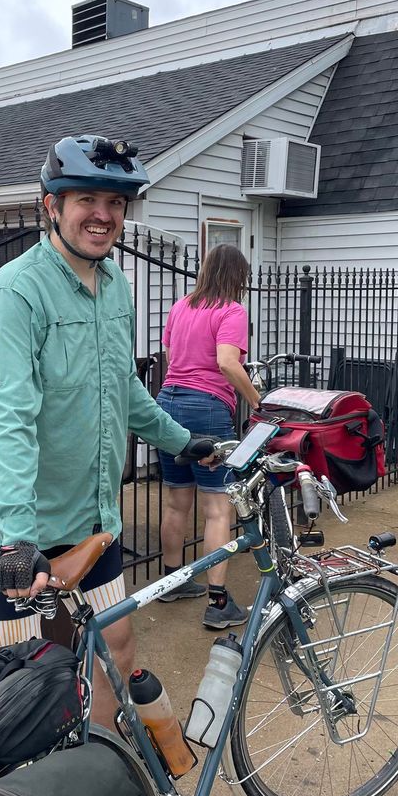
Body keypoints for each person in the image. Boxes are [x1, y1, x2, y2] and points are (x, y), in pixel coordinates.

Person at [0, 134, 216, 727]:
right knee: (18, 681)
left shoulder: (116, 286)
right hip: (11, 521)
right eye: (86, 199)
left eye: (116, 203)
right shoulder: (15, 295)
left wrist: (184, 442)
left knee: (117, 645)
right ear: (52, 205)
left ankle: (93, 762)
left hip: (89, 514)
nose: (102, 215)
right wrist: (20, 540)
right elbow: (8, 421)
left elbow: (121, 390)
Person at [156, 243, 262, 629]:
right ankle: (218, 603)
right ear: (237, 277)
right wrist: (256, 400)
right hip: (206, 408)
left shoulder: (181, 306)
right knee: (218, 508)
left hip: (166, 404)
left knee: (176, 500)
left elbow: (170, 357)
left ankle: (172, 581)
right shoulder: (231, 311)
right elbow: (226, 362)